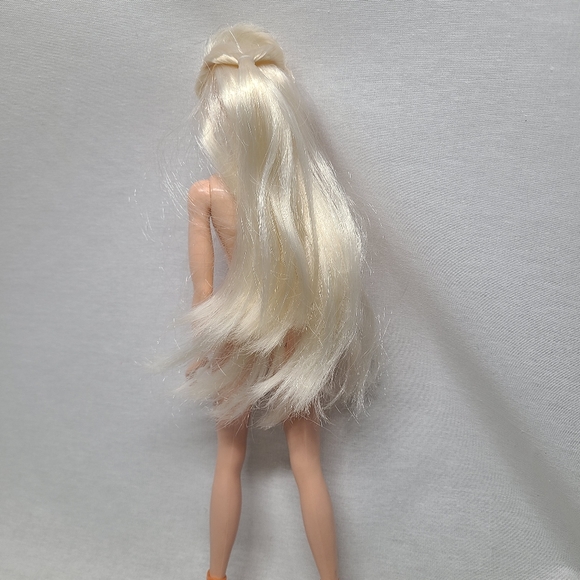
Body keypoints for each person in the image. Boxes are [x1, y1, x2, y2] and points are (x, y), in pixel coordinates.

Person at [181, 23, 377, 580]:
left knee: (232, 457)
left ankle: (217, 574)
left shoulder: (208, 194)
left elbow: (204, 289)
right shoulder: (301, 195)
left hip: (239, 329)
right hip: (290, 326)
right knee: (305, 461)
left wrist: (205, 342)